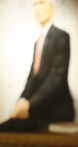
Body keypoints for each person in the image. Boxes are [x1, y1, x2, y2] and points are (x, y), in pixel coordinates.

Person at [0, 0, 74, 133]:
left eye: (42, 2)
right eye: (35, 4)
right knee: (6, 127)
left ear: (52, 8)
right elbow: (32, 77)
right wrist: (21, 101)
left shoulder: (61, 36)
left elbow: (56, 79)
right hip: (39, 107)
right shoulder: (38, 41)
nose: (38, 8)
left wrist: (29, 104)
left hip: (56, 109)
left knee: (7, 129)